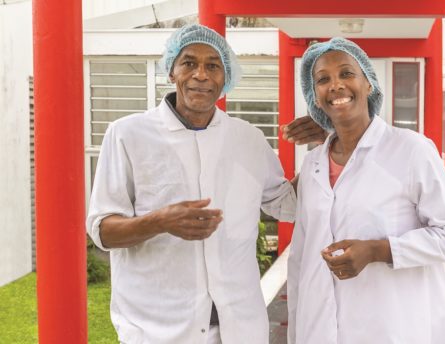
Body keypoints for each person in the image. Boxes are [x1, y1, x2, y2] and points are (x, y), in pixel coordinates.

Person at [86, 24, 324, 344]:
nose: (201, 74)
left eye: (213, 65)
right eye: (189, 63)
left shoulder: (247, 138)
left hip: (239, 326)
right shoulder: (127, 135)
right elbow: (103, 230)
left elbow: (287, 204)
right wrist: (160, 221)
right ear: (171, 71)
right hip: (158, 329)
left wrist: (332, 140)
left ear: (225, 79)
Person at [287, 37, 445, 344]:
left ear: (369, 84)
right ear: (315, 97)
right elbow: (300, 260)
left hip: (393, 328)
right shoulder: (312, 165)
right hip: (318, 329)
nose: (335, 85)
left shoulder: (410, 150)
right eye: (323, 79)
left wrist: (376, 250)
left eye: (347, 74)